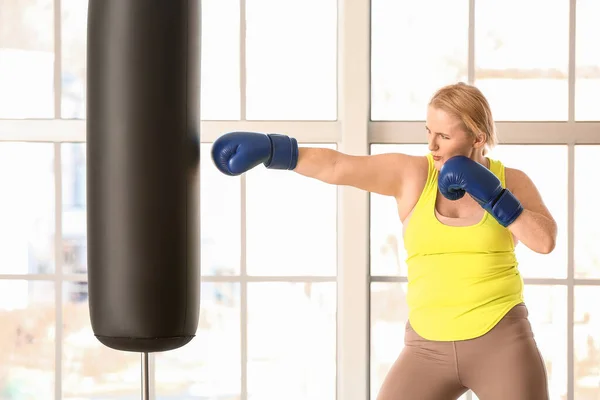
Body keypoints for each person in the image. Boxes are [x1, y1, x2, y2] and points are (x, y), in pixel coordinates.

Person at [211, 82, 557, 400]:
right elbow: (338, 166)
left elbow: (544, 242)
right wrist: (275, 150)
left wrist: (495, 198)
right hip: (426, 347)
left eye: (443, 137)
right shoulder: (413, 175)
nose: (431, 146)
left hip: (501, 342)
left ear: (477, 138)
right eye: (428, 132)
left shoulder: (510, 180)